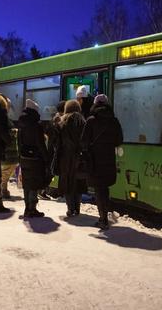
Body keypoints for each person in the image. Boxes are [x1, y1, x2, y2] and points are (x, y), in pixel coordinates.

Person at [81, 94, 123, 229]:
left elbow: (84, 141)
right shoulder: (114, 121)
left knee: (99, 189)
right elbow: (119, 140)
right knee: (104, 188)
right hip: (109, 159)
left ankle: (103, 219)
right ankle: (105, 215)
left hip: (95, 160)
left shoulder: (91, 120)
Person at [17, 99, 50, 218]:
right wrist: (46, 158)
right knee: (34, 184)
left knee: (27, 183)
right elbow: (40, 144)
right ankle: (32, 209)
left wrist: (20, 156)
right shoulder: (37, 125)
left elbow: (19, 142)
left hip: (24, 157)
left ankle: (27, 208)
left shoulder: (21, 124)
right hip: (35, 159)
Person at [57, 100, 87, 216]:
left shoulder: (62, 123)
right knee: (78, 183)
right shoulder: (83, 122)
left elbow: (57, 143)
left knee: (67, 184)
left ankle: (70, 208)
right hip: (79, 158)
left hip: (65, 159)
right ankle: (77, 208)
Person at [0, 95, 19, 201]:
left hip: (8, 151)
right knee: (6, 172)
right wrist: (14, 132)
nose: (9, 108)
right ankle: (3, 190)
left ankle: (3, 190)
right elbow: (4, 134)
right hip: (7, 151)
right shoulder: (3, 118)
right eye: (8, 105)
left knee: (6, 171)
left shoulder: (5, 118)